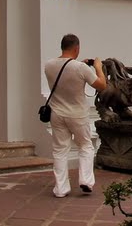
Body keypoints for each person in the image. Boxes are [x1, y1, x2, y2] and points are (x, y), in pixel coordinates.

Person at [44, 34, 106, 197]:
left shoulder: (49, 65)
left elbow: (66, 76)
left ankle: (61, 188)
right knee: (85, 146)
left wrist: (82, 66)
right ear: (77, 48)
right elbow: (102, 85)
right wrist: (98, 67)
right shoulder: (80, 68)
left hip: (56, 113)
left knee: (59, 150)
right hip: (77, 114)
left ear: (62, 46)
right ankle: (85, 181)